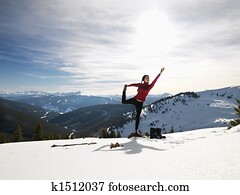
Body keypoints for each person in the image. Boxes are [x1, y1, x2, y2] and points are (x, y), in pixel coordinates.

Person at [122, 67, 165, 137]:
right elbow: (134, 84)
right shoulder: (140, 85)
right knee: (123, 101)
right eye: (146, 77)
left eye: (148, 78)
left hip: (140, 103)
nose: (148, 78)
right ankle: (124, 91)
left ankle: (136, 131)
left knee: (138, 116)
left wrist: (160, 73)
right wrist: (128, 86)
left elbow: (155, 81)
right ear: (143, 79)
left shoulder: (149, 86)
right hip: (135, 100)